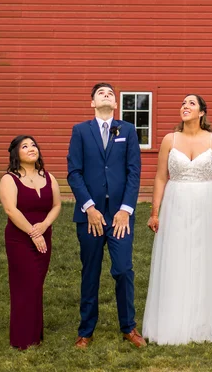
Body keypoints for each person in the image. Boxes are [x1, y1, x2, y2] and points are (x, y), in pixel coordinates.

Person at [143, 95, 212, 345]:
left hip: (206, 203)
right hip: (175, 203)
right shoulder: (170, 139)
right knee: (176, 257)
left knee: (205, 257)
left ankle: (207, 317)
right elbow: (160, 178)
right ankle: (174, 319)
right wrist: (155, 212)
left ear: (202, 113)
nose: (185, 106)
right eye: (183, 103)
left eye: (191, 103)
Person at [66, 83, 145, 348]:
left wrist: (125, 210)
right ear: (92, 103)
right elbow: (74, 173)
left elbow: (134, 172)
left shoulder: (128, 130)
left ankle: (128, 327)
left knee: (123, 270)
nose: (107, 95)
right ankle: (86, 330)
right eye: (101, 93)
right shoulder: (80, 131)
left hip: (120, 216)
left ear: (116, 103)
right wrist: (88, 207)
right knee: (90, 272)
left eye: (111, 93)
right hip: (91, 215)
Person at [0, 135, 62, 349]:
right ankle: (21, 339)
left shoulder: (49, 177)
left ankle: (35, 335)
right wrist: (33, 234)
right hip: (20, 240)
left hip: (44, 237)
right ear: (16, 153)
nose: (31, 148)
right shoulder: (9, 179)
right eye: (25, 146)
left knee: (36, 285)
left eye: (33, 145)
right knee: (24, 286)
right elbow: (10, 210)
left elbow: (56, 205)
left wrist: (44, 226)